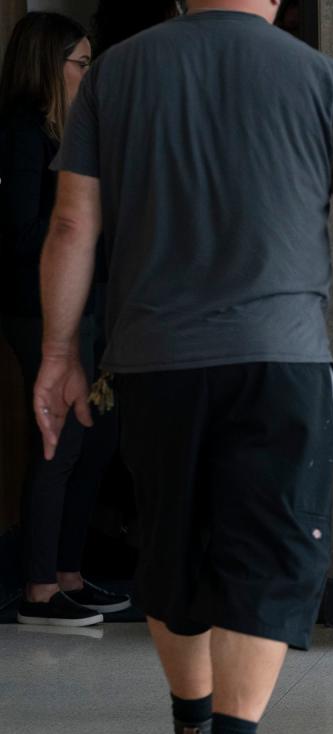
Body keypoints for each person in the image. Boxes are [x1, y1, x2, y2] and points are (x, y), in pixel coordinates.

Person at [33, 1, 333, 733]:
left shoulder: (114, 73)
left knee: (170, 544)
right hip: (281, 362)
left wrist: (58, 354)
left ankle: (191, 719)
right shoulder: (324, 77)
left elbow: (71, 224)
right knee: (271, 552)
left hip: (154, 362)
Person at [0, 11, 130, 628]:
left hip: (89, 302)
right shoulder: (24, 134)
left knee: (96, 436)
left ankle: (70, 573)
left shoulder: (71, 132)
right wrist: (82, 223)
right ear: (48, 67)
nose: (88, 72)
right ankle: (40, 588)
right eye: (80, 62)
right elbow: (24, 234)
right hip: (43, 307)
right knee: (62, 438)